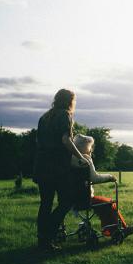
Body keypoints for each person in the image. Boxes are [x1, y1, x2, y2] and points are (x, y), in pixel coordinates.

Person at [33, 89, 89, 251]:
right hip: (57, 167)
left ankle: (43, 241)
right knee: (66, 201)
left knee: (46, 204)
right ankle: (48, 233)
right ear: (69, 101)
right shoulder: (64, 115)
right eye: (74, 100)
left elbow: (39, 141)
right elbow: (66, 140)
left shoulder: (44, 117)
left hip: (42, 165)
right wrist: (80, 157)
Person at [70, 134, 133, 238]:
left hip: (71, 198)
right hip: (85, 198)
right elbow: (95, 178)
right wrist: (110, 177)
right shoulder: (85, 158)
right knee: (109, 203)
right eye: (90, 146)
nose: (91, 149)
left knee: (103, 203)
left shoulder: (69, 158)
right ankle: (118, 229)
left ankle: (112, 229)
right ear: (84, 147)